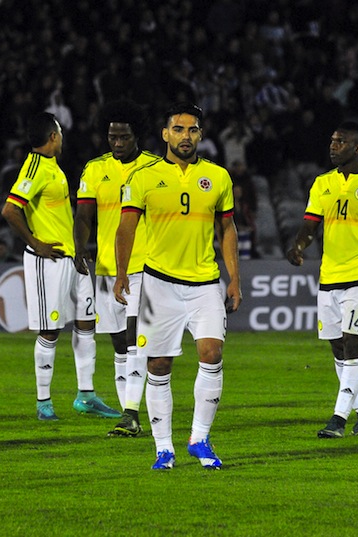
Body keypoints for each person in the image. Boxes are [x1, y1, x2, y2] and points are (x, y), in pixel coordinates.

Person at [114, 102, 242, 470]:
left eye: (192, 130)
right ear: (165, 134)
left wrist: (234, 278)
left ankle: (199, 439)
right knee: (158, 363)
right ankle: (163, 448)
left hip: (205, 282)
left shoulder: (218, 177)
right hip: (158, 283)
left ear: (200, 135)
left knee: (212, 354)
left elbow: (227, 229)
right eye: (179, 129)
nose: (186, 136)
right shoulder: (143, 176)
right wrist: (123, 274)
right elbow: (126, 228)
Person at [287, 121, 358, 439]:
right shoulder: (322, 183)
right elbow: (310, 226)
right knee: (339, 348)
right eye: (332, 140)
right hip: (330, 275)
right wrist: (298, 246)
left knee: (354, 345)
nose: (333, 146)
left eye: (341, 142)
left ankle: (338, 419)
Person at [1, 112, 120, 421]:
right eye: (60, 133)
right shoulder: (35, 168)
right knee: (50, 330)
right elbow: (10, 210)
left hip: (71, 258)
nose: (63, 138)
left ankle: (86, 396)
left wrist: (79, 250)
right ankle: (44, 403)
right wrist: (35, 242)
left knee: (85, 324)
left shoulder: (53, 168)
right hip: (48, 261)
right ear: (53, 137)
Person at [74, 98, 160, 437]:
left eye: (123, 137)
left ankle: (131, 412)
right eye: (112, 137)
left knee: (136, 338)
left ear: (136, 135)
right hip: (107, 267)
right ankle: (129, 413)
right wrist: (81, 249)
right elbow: (84, 215)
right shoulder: (95, 169)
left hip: (144, 265)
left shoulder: (155, 168)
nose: (118, 143)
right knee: (119, 343)